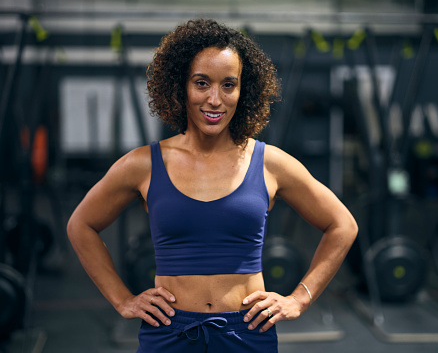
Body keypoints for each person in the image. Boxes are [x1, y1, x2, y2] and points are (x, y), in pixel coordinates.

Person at [67, 18, 358, 353]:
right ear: (181, 87)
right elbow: (81, 225)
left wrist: (300, 299)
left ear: (243, 90)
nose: (215, 100)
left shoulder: (270, 162)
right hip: (169, 333)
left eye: (228, 85)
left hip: (246, 333)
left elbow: (343, 225)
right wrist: (122, 300)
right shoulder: (143, 164)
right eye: (202, 83)